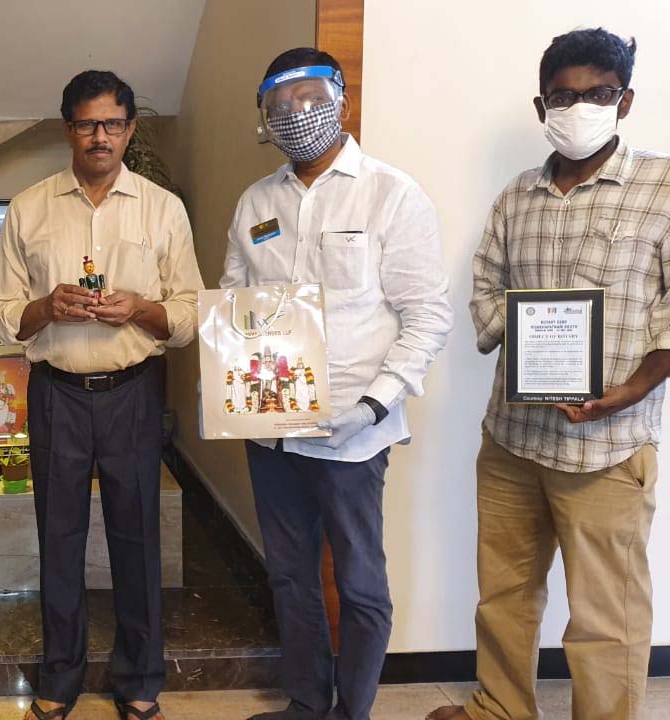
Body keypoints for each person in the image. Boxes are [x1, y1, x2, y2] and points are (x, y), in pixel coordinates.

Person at [428, 28, 667, 720]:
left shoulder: (662, 188)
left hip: (608, 448)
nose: (579, 107)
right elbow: (485, 290)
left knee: (607, 615)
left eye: (598, 94)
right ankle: (500, 707)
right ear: (542, 106)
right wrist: (526, 335)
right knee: (504, 596)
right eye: (563, 97)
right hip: (513, 439)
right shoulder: (517, 197)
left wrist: (629, 391)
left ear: (625, 101)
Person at [221, 48, 453, 720]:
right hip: (271, 431)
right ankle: (305, 703)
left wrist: (375, 406)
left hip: (353, 433)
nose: (296, 113)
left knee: (359, 583)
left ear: (340, 101)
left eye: (311, 98)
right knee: (289, 576)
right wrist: (231, 387)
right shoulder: (257, 202)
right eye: (280, 103)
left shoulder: (390, 194)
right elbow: (234, 302)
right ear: (263, 115)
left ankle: (353, 712)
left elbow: (427, 315)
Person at [0, 69, 204, 720]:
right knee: (59, 538)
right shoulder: (29, 208)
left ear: (130, 129)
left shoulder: (162, 208)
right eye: (87, 124)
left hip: (132, 392)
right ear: (68, 130)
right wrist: (45, 308)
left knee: (137, 537)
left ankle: (139, 678)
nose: (100, 136)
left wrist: (140, 308)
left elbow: (189, 314)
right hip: (56, 393)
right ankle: (61, 676)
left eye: (112, 123)